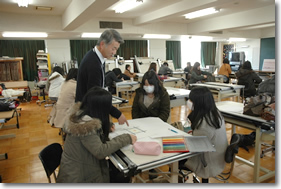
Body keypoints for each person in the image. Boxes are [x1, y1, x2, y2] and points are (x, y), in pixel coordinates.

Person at [57, 87, 137, 183]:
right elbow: (100, 151)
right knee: (123, 174)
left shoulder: (81, 116)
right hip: (80, 178)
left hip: (78, 169)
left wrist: (105, 127)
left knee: (119, 169)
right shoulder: (85, 127)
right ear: (101, 108)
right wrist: (127, 138)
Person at [75, 29, 128, 126]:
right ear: (102, 44)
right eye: (113, 48)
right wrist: (117, 114)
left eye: (116, 49)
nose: (114, 52)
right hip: (87, 114)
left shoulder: (97, 58)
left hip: (91, 110)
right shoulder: (93, 63)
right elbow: (96, 97)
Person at [181, 86, 228, 183]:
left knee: (173, 158)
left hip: (206, 163)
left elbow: (195, 147)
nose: (188, 101)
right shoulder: (215, 114)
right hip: (216, 158)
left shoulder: (203, 124)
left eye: (191, 100)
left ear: (198, 103)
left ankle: (173, 179)